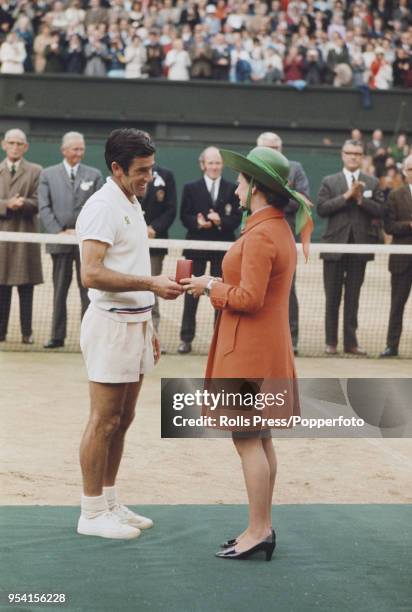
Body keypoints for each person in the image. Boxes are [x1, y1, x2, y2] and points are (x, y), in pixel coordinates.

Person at [180, 146, 312, 560]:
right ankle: (260, 526)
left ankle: (259, 530)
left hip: (249, 351)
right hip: (263, 348)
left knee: (247, 439)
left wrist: (208, 287)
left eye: (241, 180)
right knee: (262, 437)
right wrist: (216, 283)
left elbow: (249, 298)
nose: (235, 185)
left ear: (255, 187)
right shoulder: (275, 229)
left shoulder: (261, 234)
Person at [75, 128, 183, 539]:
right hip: (109, 325)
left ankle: (109, 502)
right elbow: (91, 273)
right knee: (104, 420)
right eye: (141, 171)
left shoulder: (132, 202)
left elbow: (129, 261)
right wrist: (152, 284)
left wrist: (149, 319)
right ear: (117, 168)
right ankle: (90, 513)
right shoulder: (102, 206)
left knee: (125, 418)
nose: (148, 178)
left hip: (137, 323)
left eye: (151, 169)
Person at [317, 139, 384, 355]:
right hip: (334, 248)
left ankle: (351, 343)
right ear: (342, 155)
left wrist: (361, 200)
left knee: (353, 298)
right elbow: (322, 209)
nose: (353, 156)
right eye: (349, 152)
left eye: (358, 153)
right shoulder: (329, 181)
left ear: (363, 156)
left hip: (360, 249)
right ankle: (331, 343)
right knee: (332, 297)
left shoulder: (372, 183)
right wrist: (347, 196)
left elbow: (381, 211)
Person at [39, 131, 104, 349]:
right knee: (59, 291)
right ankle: (57, 337)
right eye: (75, 149)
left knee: (89, 291)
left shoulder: (94, 174)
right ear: (64, 150)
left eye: (82, 149)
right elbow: (44, 207)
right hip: (60, 242)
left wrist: (82, 233)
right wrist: (58, 231)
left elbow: (99, 206)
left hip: (86, 243)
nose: (79, 152)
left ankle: (90, 337)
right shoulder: (47, 175)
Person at [178, 146, 241, 354]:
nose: (214, 167)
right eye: (210, 163)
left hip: (222, 250)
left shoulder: (233, 188)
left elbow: (236, 219)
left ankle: (220, 338)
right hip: (196, 246)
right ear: (203, 164)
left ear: (222, 165)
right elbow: (184, 215)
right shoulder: (190, 187)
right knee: (191, 292)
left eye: (217, 163)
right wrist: (198, 224)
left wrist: (220, 221)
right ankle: (186, 339)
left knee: (220, 292)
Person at [256, 132, 310, 355]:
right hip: (257, 234)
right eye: (267, 148)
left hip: (285, 235)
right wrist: (283, 197)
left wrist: (272, 201)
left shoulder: (294, 168)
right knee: (255, 287)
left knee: (288, 287)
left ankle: (291, 339)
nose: (272, 152)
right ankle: (260, 336)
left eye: (275, 148)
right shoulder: (252, 169)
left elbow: (303, 201)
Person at [0, 129, 43, 343]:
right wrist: (6, 204)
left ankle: (27, 334)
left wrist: (23, 204)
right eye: (11, 143)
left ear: (25, 147)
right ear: (3, 145)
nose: (15, 146)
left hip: (26, 237)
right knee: (1, 289)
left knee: (26, 289)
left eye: (19, 143)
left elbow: (39, 202)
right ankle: (1, 334)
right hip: (2, 242)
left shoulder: (36, 171)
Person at [380, 155, 412, 358]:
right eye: (411, 169)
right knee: (397, 304)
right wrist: (409, 225)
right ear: (405, 171)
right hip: (402, 261)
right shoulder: (395, 195)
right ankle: (392, 346)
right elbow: (389, 227)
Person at [141, 163, 177, 335]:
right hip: (130, 241)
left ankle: (152, 333)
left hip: (155, 244)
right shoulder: (127, 172)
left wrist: (154, 228)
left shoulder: (166, 175)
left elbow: (171, 209)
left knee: (153, 287)